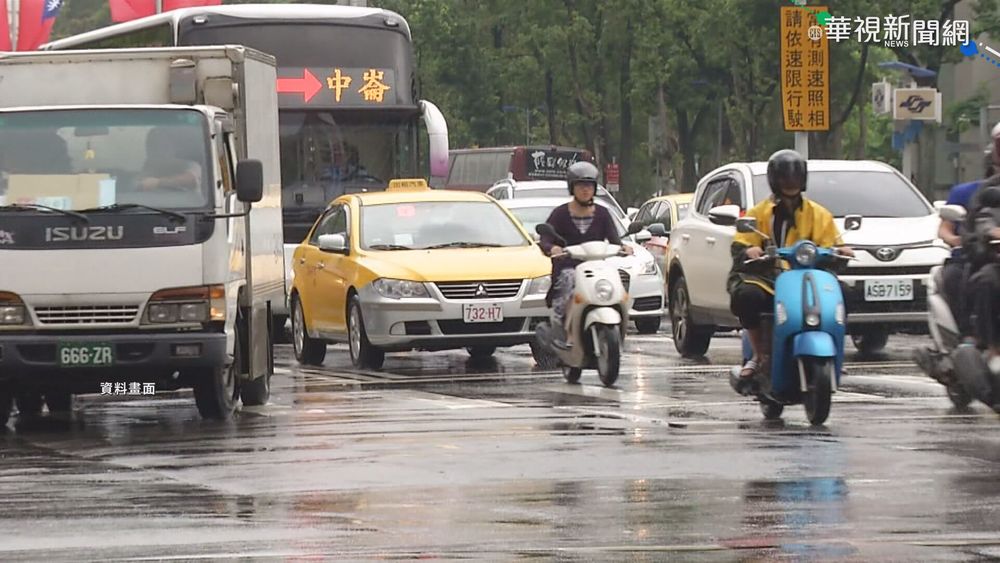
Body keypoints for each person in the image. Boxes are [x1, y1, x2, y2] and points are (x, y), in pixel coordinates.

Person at [728, 149, 854, 383]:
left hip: (809, 278)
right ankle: (758, 354)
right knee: (747, 296)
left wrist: (841, 251)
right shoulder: (759, 213)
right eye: (785, 177)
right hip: (769, 278)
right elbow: (742, 243)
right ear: (775, 180)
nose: (791, 183)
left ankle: (836, 351)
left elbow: (833, 243)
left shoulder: (819, 214)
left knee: (845, 293)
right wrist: (750, 250)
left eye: (795, 177)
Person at [539, 161, 632, 348]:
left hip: (596, 267)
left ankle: (619, 324)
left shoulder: (603, 214)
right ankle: (568, 331)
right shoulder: (560, 214)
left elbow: (614, 240)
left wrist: (623, 248)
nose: (585, 190)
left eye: (589, 186)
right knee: (571, 279)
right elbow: (545, 239)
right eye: (581, 185)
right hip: (568, 267)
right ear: (572, 187)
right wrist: (553, 248)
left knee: (615, 281)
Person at [937, 140, 998, 334]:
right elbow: (946, 229)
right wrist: (960, 240)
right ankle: (970, 333)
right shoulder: (974, 193)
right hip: (976, 254)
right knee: (965, 278)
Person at [138, 127, 202, 192]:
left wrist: (159, 182)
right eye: (153, 145)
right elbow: (138, 183)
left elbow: (192, 179)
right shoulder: (150, 166)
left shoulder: (189, 164)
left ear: (171, 147)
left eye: (162, 146)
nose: (158, 150)